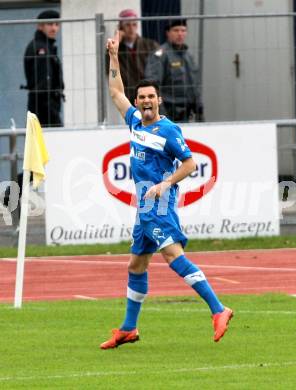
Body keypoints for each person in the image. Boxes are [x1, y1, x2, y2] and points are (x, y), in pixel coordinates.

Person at [100, 30, 233, 350]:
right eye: (141, 97)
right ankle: (129, 329)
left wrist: (165, 183)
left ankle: (219, 309)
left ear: (158, 100)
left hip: (158, 202)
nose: (145, 101)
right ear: (138, 101)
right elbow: (116, 91)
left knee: (173, 255)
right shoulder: (134, 121)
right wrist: (114, 57)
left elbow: (189, 164)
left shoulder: (168, 129)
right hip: (144, 204)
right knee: (136, 265)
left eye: (151, 97)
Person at [145, 19, 204, 122]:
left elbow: (195, 84)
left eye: (183, 30)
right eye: (176, 30)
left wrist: (199, 108)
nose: (180, 34)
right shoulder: (160, 55)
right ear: (168, 33)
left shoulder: (188, 55)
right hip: (168, 113)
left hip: (187, 114)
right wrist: (161, 114)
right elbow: (152, 86)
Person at [106, 9, 159, 104]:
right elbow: (110, 68)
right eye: (127, 25)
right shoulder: (117, 50)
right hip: (130, 96)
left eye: (134, 24)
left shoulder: (149, 45)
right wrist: (116, 40)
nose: (131, 28)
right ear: (121, 27)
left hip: (149, 92)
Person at [23, 10, 64, 127]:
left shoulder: (46, 46)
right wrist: (52, 112)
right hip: (44, 108)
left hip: (46, 106)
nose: (54, 28)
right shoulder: (41, 48)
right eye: (50, 24)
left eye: (57, 24)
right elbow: (43, 83)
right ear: (40, 26)